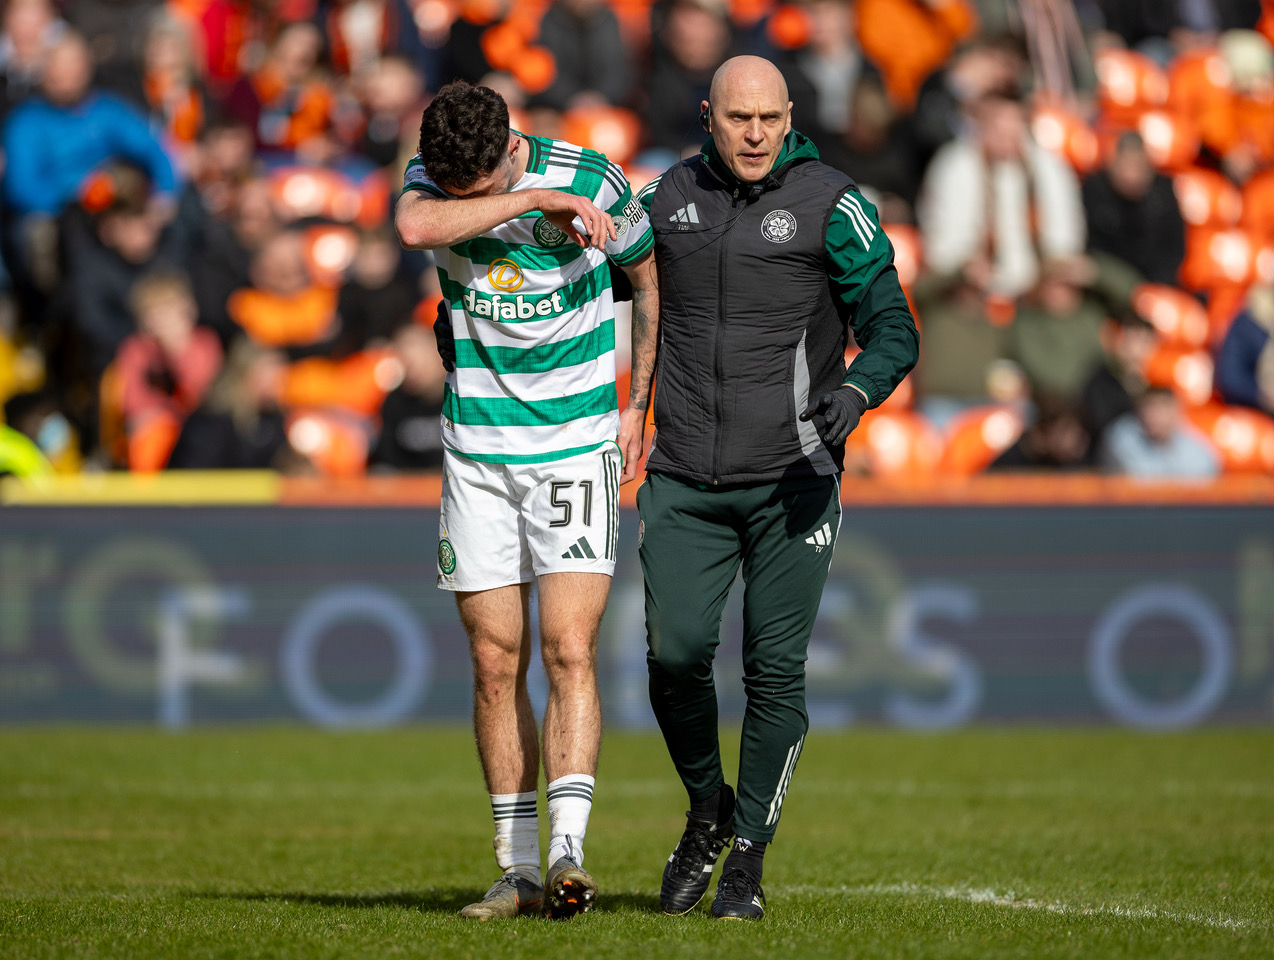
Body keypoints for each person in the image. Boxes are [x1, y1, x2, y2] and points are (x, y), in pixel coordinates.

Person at [625, 56, 918, 920]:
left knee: (773, 671)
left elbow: (895, 329)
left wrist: (857, 392)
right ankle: (707, 808)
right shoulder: (661, 200)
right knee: (674, 656)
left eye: (771, 119)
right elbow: (593, 294)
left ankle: (747, 858)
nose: (756, 135)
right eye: (738, 118)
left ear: (791, 116)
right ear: (707, 114)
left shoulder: (836, 203)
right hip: (682, 475)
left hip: (794, 478)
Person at [395, 80, 658, 920]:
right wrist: (536, 199)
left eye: (485, 188)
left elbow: (650, 283)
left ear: (510, 145)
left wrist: (635, 407)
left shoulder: (599, 176)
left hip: (576, 444)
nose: (463, 203)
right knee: (492, 661)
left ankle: (569, 854)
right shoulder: (443, 175)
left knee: (568, 649)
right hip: (476, 452)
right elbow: (412, 224)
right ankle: (513, 870)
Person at [1101, 386, 1220, 479]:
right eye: (1148, 407)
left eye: (1161, 407)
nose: (1152, 415)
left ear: (1175, 410)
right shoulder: (1121, 440)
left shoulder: (1199, 453)